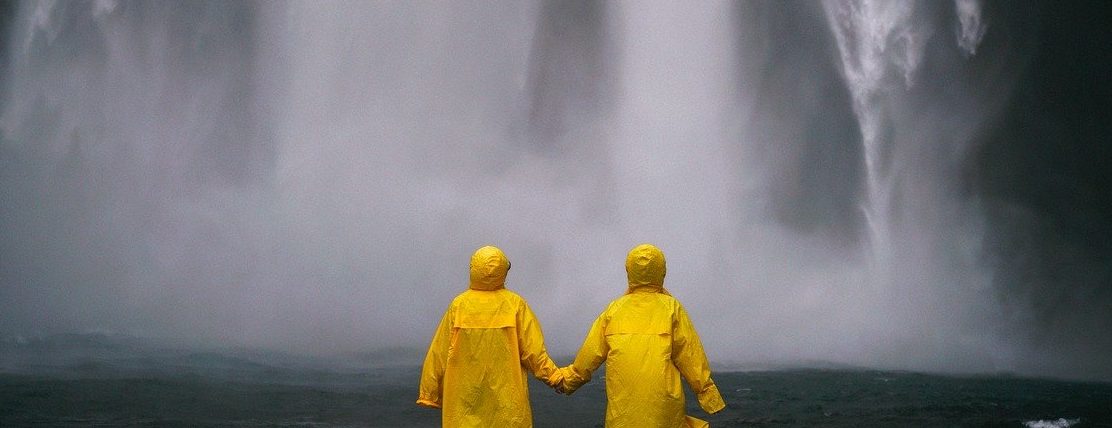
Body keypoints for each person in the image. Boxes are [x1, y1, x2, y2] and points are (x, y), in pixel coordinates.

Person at [559, 243, 726, 428]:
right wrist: (708, 395)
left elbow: (589, 355)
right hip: (663, 409)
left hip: (622, 412)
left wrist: (567, 381)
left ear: (629, 271)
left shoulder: (614, 310)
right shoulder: (672, 308)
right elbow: (691, 356)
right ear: (662, 271)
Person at [417, 245, 564, 427]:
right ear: (503, 271)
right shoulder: (515, 305)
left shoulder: (459, 306)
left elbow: (438, 352)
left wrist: (429, 392)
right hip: (508, 410)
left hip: (464, 407)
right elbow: (533, 352)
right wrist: (556, 378)